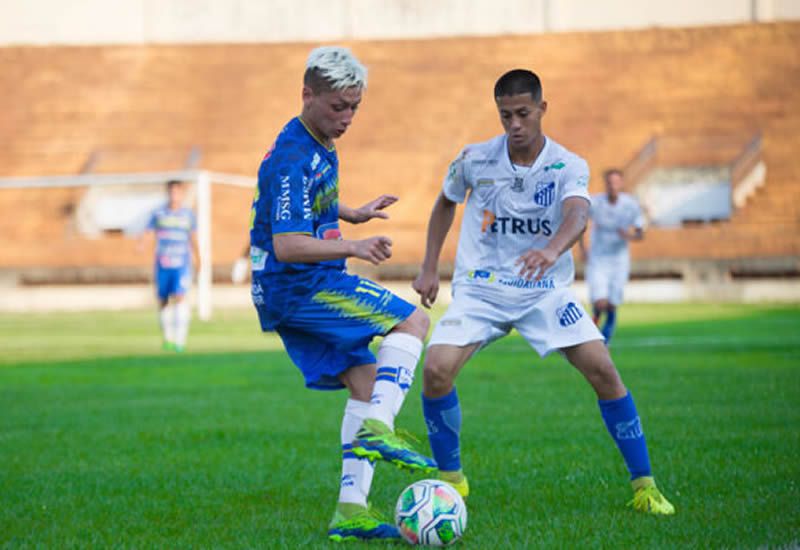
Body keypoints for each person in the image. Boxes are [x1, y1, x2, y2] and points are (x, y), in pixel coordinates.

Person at [412, 69, 675, 515]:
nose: (514, 124)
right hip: (482, 288)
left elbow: (577, 215)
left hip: (544, 291)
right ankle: (451, 481)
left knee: (604, 370)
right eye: (506, 116)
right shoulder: (474, 158)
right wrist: (428, 267)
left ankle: (645, 486)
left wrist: (552, 251)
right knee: (436, 370)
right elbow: (445, 201)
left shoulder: (568, 164)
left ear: (542, 109)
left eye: (523, 113)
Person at [248, 46, 436, 542]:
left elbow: (307, 204)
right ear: (307, 95)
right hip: (302, 286)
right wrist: (354, 245)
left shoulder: (317, 140)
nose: (348, 117)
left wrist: (352, 213)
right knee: (414, 321)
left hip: (295, 287)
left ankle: (350, 512)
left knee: (368, 384)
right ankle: (378, 428)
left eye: (355, 106)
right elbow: (288, 244)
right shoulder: (292, 157)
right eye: (339, 106)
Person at [579, 168, 645, 344]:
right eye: (609, 182)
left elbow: (640, 233)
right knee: (600, 302)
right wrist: (583, 249)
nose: (613, 186)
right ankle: (592, 337)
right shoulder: (595, 203)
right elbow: (580, 223)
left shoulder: (630, 205)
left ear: (621, 184)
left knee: (612, 304)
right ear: (605, 184)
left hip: (619, 260)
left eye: (616, 182)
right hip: (598, 259)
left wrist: (629, 235)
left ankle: (604, 340)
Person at [140, 180, 198, 352]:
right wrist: (141, 245)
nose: (174, 195)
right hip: (163, 263)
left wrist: (199, 257)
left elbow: (193, 238)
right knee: (163, 300)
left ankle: (180, 340)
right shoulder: (159, 214)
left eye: (177, 192)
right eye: (171, 192)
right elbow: (148, 232)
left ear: (181, 194)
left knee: (180, 296)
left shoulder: (188, 215)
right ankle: (168, 338)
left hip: (181, 263)